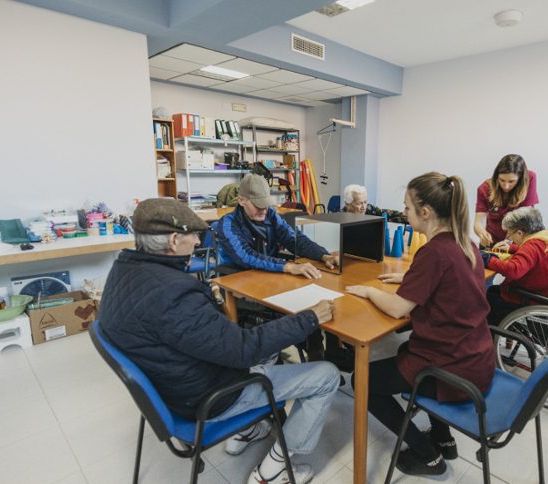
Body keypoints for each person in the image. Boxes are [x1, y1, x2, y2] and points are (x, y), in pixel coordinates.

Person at [98, 198, 340, 484]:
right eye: (194, 236)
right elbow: (243, 351)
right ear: (174, 240)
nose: (199, 241)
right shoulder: (174, 293)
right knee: (327, 375)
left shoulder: (123, 271)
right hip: (210, 396)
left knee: (270, 342)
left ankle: (249, 430)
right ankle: (273, 471)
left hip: (173, 381)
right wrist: (309, 318)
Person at [345, 172, 495, 477]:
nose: (404, 212)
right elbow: (446, 280)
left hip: (448, 366)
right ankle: (443, 438)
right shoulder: (465, 244)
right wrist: (412, 278)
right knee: (405, 351)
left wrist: (369, 291)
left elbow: (399, 308)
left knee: (363, 381)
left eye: (408, 207)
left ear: (425, 213)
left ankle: (427, 456)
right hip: (476, 356)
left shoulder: (434, 252)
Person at [216, 174, 352, 370]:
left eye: (266, 203)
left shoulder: (271, 215)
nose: (264, 209)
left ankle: (322, 355)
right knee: (303, 305)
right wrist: (288, 266)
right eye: (258, 204)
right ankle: (314, 358)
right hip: (240, 285)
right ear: (242, 200)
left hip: (270, 277)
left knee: (317, 296)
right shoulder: (227, 224)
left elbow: (295, 240)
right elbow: (246, 256)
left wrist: (324, 256)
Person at [483, 207, 548, 326]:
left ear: (520, 233)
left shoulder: (532, 246)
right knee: (493, 291)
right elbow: (537, 256)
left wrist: (487, 259)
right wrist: (512, 248)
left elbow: (513, 270)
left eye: (509, 233)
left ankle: (489, 335)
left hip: (541, 301)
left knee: (489, 296)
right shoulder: (547, 237)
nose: (508, 237)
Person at [474, 154, 539, 249]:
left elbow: (525, 219)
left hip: (519, 242)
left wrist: (508, 243)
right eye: (502, 180)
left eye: (511, 181)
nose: (506, 186)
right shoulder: (484, 189)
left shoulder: (530, 178)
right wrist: (481, 233)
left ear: (520, 179)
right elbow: (478, 222)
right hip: (492, 242)